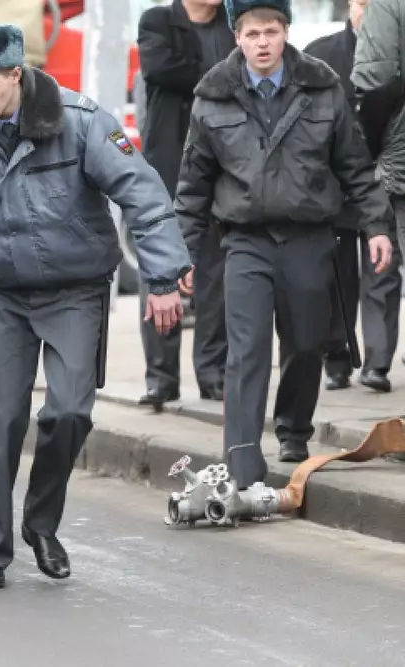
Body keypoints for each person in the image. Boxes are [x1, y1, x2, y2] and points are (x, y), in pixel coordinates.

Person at [0, 23, 192, 589]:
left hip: (76, 289)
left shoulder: (81, 121)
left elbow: (142, 193)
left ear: (16, 74)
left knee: (69, 413)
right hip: (4, 295)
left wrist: (164, 276)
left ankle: (40, 523)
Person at [175, 0, 393, 487]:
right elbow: (192, 187)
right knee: (246, 350)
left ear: (286, 32)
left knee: (306, 344)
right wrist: (180, 256)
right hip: (245, 242)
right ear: (237, 37)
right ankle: (242, 461)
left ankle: (294, 429)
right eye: (252, 34)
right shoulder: (213, 95)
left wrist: (377, 227)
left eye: (271, 32)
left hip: (309, 239)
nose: (262, 43)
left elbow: (355, 167)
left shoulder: (322, 87)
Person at [136, 0, 233, 407]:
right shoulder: (157, 21)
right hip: (169, 166)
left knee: (217, 275)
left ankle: (213, 374)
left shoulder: (233, 24)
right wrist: (225, 75)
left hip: (224, 167)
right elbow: (162, 70)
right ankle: (161, 378)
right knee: (162, 270)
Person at [306, 0, 401, 393]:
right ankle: (337, 358)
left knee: (382, 272)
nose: (369, 11)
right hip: (336, 184)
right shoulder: (320, 54)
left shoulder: (395, 46)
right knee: (337, 277)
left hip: (386, 178)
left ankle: (377, 363)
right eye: (363, 2)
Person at [352, 0, 405, 382]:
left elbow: (376, 82)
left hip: (395, 157)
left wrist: (367, 148)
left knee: (381, 258)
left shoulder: (386, 5)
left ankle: (377, 361)